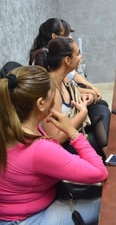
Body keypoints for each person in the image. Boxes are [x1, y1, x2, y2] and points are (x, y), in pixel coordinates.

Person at [0, 65, 108, 224]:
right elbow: (100, 173)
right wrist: (72, 131)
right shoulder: (38, 148)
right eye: (54, 94)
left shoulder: (9, 126)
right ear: (41, 103)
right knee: (109, 203)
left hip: (11, 212)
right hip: (28, 219)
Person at [32, 37, 108, 159]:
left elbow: (71, 98)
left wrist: (85, 98)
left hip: (72, 133)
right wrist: (82, 114)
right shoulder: (51, 91)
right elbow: (55, 138)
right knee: (96, 137)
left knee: (101, 109)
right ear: (67, 60)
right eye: (78, 54)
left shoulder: (64, 79)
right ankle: (105, 155)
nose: (80, 57)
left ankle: (107, 152)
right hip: (62, 148)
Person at [29, 18, 103, 101]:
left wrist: (91, 88)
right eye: (66, 35)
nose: (70, 37)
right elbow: (65, 89)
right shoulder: (45, 60)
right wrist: (90, 93)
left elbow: (71, 78)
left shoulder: (58, 61)